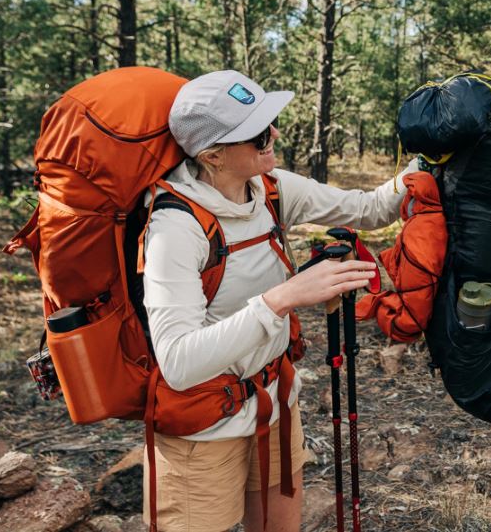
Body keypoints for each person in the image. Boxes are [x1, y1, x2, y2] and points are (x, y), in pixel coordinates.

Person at [140, 70, 414, 532]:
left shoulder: (269, 188)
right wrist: (282, 299)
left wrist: (426, 162)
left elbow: (370, 208)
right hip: (203, 425)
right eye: (258, 132)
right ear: (212, 155)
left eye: (270, 121)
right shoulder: (175, 227)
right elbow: (178, 362)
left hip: (273, 399)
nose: (275, 135)